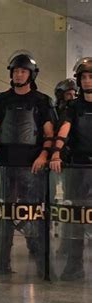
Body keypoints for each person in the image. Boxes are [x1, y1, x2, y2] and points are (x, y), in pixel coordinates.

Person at [0, 52, 56, 276]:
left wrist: (43, 156)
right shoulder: (1, 100)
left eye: (23, 71)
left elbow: (49, 134)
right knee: (3, 215)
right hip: (4, 165)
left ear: (31, 75)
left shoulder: (42, 101)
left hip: (32, 166)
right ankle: (0, 261)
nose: (18, 74)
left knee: (33, 215)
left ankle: (41, 260)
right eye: (15, 71)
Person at [50, 57, 92, 281]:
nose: (87, 81)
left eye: (90, 77)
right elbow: (64, 130)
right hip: (78, 166)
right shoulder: (73, 107)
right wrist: (56, 152)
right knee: (76, 217)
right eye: (83, 77)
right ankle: (74, 265)